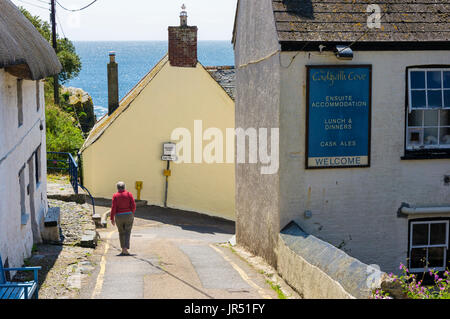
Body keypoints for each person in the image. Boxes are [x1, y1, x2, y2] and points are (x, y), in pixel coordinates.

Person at [110, 181, 136, 256]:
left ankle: (123, 249)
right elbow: (133, 205)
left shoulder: (115, 196)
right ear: (124, 187)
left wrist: (112, 218)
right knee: (128, 232)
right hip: (128, 215)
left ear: (117, 188)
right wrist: (132, 213)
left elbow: (113, 207)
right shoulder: (129, 194)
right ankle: (126, 249)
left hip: (119, 216)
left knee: (121, 232)